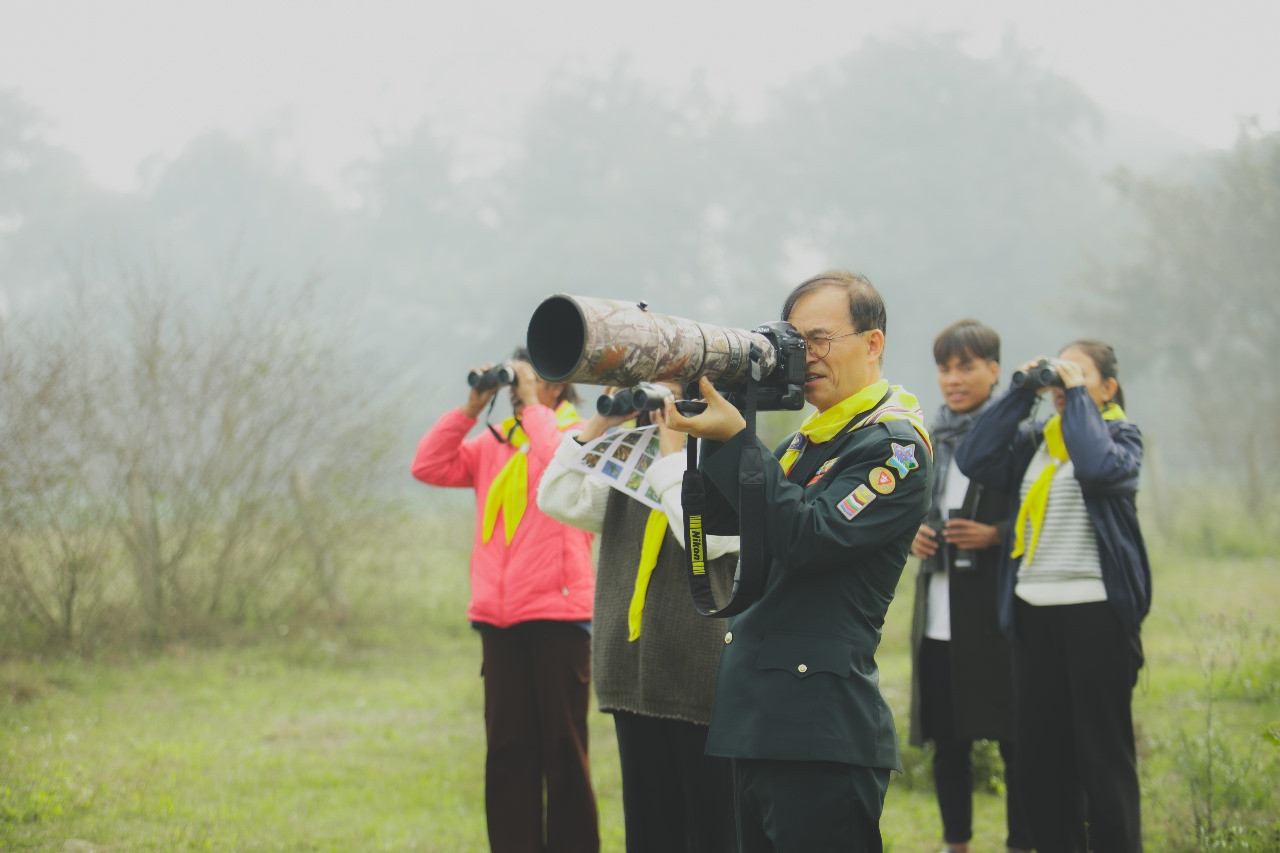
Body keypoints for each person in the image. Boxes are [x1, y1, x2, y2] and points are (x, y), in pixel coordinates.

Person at [663, 270, 934, 852]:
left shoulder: (894, 447)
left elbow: (812, 538)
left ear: (873, 343)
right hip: (757, 722)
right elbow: (724, 520)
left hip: (820, 731)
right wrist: (718, 420)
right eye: (794, 341)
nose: (804, 356)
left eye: (819, 339)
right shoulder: (808, 441)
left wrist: (741, 440)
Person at [955, 340, 1150, 853]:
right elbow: (974, 458)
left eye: (1078, 374)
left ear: (1108, 388)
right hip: (1031, 612)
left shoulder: (1121, 437)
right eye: (1060, 374)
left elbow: (1095, 469)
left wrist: (1077, 396)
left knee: (1102, 758)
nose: (1064, 383)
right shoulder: (1035, 441)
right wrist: (1021, 394)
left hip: (1097, 614)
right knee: (1039, 762)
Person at [410, 348, 599, 853]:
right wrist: (471, 408)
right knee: (507, 753)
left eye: (529, 380)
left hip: (559, 617)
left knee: (563, 751)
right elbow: (427, 465)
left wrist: (533, 404)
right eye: (515, 383)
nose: (518, 391)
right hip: (499, 620)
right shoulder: (495, 444)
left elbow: (555, 465)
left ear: (557, 383)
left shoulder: (581, 434)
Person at [537, 382, 740, 853]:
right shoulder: (635, 467)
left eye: (670, 395)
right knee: (649, 833)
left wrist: (672, 458)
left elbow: (702, 540)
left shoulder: (733, 464)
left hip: (701, 683)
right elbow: (555, 497)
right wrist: (600, 424)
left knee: (713, 832)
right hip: (633, 677)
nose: (658, 409)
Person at [907, 320, 1031, 853]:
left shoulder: (1019, 437)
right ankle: (955, 843)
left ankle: (1022, 842)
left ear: (995, 370)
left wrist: (996, 534)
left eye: (966, 367)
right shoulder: (927, 437)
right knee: (948, 741)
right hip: (938, 612)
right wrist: (911, 532)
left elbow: (1042, 513)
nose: (953, 379)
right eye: (944, 368)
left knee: (1014, 738)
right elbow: (911, 508)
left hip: (995, 612)